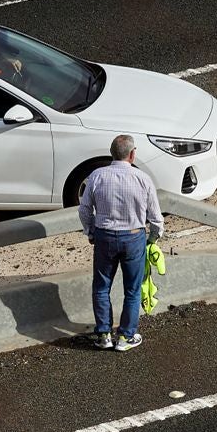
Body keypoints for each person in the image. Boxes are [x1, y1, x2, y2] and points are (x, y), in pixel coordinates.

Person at [77, 134, 164, 351]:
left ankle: (104, 335)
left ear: (111, 153)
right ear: (132, 154)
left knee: (101, 287)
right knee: (133, 290)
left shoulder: (97, 176)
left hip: (104, 236)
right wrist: (152, 239)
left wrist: (90, 232)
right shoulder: (142, 179)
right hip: (134, 237)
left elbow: (84, 209)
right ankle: (125, 336)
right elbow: (156, 217)